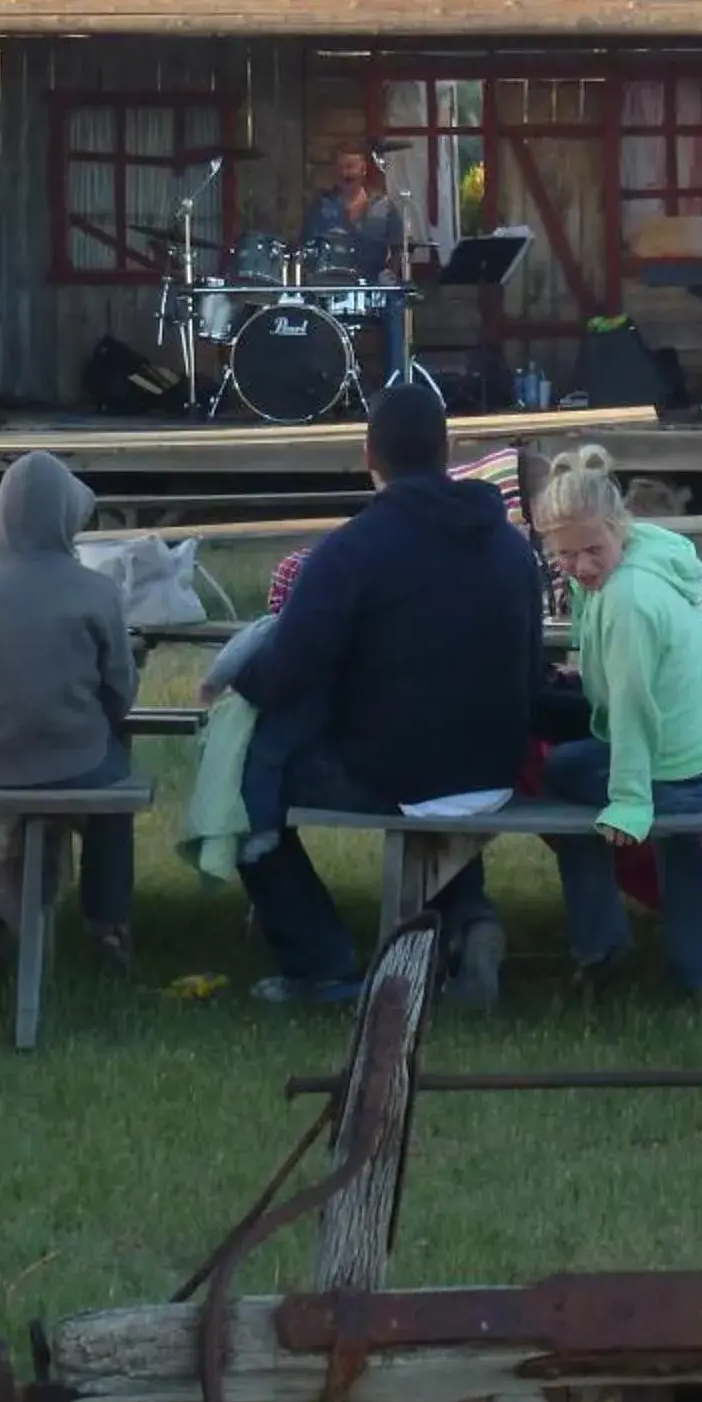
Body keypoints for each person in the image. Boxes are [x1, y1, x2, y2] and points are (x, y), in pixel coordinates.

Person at [227, 381, 541, 1007]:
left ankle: (322, 961)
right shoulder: (510, 547)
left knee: (239, 781)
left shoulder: (351, 551)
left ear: (370, 454)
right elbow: (531, 665)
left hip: (394, 773)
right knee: (434, 766)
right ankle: (468, 921)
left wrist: (238, 677)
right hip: (494, 766)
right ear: (447, 451)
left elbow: (288, 671)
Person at [530, 444, 702, 997]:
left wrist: (630, 799)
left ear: (617, 527)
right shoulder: (647, 554)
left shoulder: (628, 601)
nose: (582, 566)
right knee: (676, 843)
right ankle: (701, 975)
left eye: (593, 550)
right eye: (566, 556)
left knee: (559, 776)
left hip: (686, 763)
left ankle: (600, 945)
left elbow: (633, 707)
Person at [0, 453, 140, 966]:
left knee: (1, 804)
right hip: (75, 757)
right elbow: (120, 687)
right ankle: (107, 921)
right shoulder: (98, 592)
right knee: (115, 801)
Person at [300, 145, 410, 378]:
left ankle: (397, 384)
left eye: (350, 166)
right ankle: (324, 383)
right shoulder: (320, 207)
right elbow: (306, 248)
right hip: (332, 285)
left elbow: (399, 248)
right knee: (309, 311)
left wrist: (390, 271)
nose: (345, 172)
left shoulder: (384, 206)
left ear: (363, 169)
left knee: (396, 305)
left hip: (373, 284)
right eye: (340, 167)